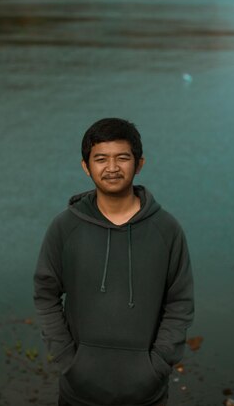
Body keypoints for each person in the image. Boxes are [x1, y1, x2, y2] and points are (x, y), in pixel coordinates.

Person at [33, 117, 194, 406]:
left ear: (139, 163)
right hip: (78, 392)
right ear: (86, 166)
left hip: (148, 394)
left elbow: (179, 303)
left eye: (122, 158)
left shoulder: (166, 230)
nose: (111, 168)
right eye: (101, 159)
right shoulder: (65, 227)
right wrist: (68, 360)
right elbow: (46, 294)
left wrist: (157, 365)